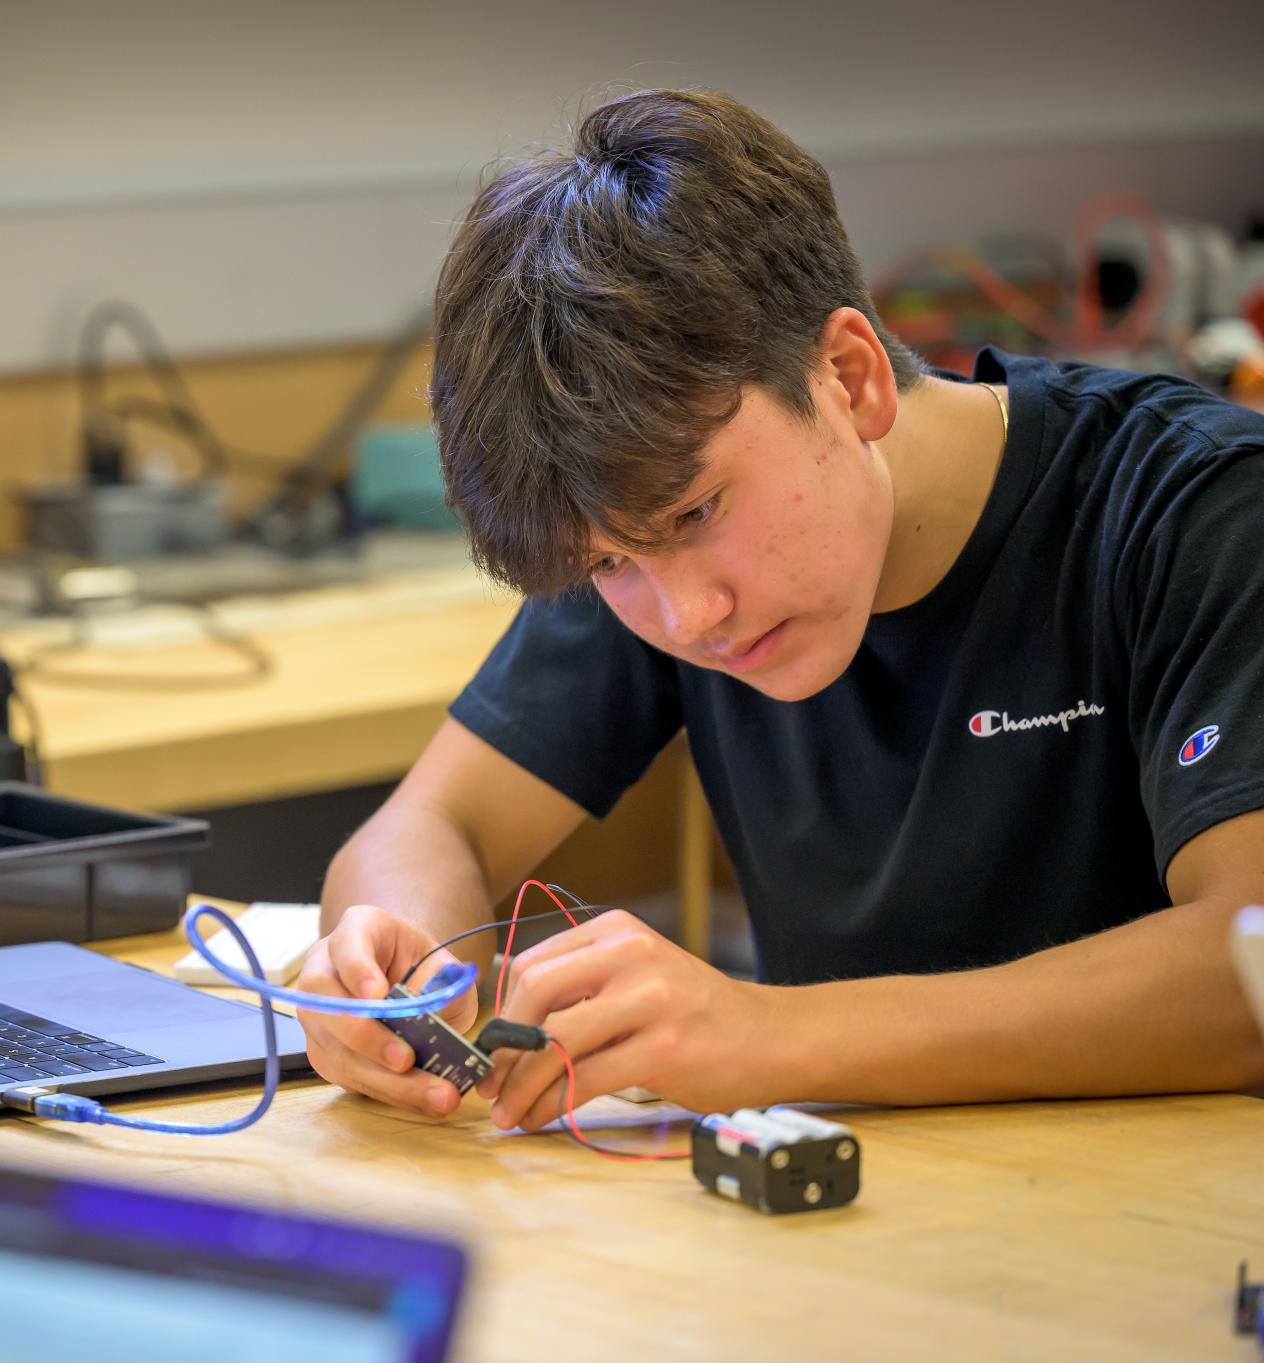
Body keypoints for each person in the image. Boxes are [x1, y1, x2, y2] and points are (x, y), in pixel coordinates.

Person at [295, 88, 1264, 1131]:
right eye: (610, 564)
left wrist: (771, 1036)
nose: (686, 617)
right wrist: (394, 962)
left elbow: (1249, 960)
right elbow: (435, 824)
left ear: (848, 379)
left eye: (699, 511)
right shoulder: (651, 550)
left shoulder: (1198, 512)